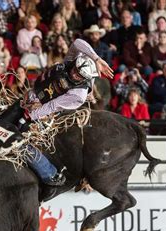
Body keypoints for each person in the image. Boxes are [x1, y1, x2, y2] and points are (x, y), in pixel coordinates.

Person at [8, 38, 113, 186]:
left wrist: (28, 117)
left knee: (21, 143)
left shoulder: (79, 94)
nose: (74, 74)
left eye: (79, 75)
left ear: (85, 79)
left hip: (47, 114)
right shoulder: (70, 63)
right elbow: (77, 42)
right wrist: (97, 58)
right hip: (32, 97)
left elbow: (52, 106)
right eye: (75, 70)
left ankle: (49, 173)